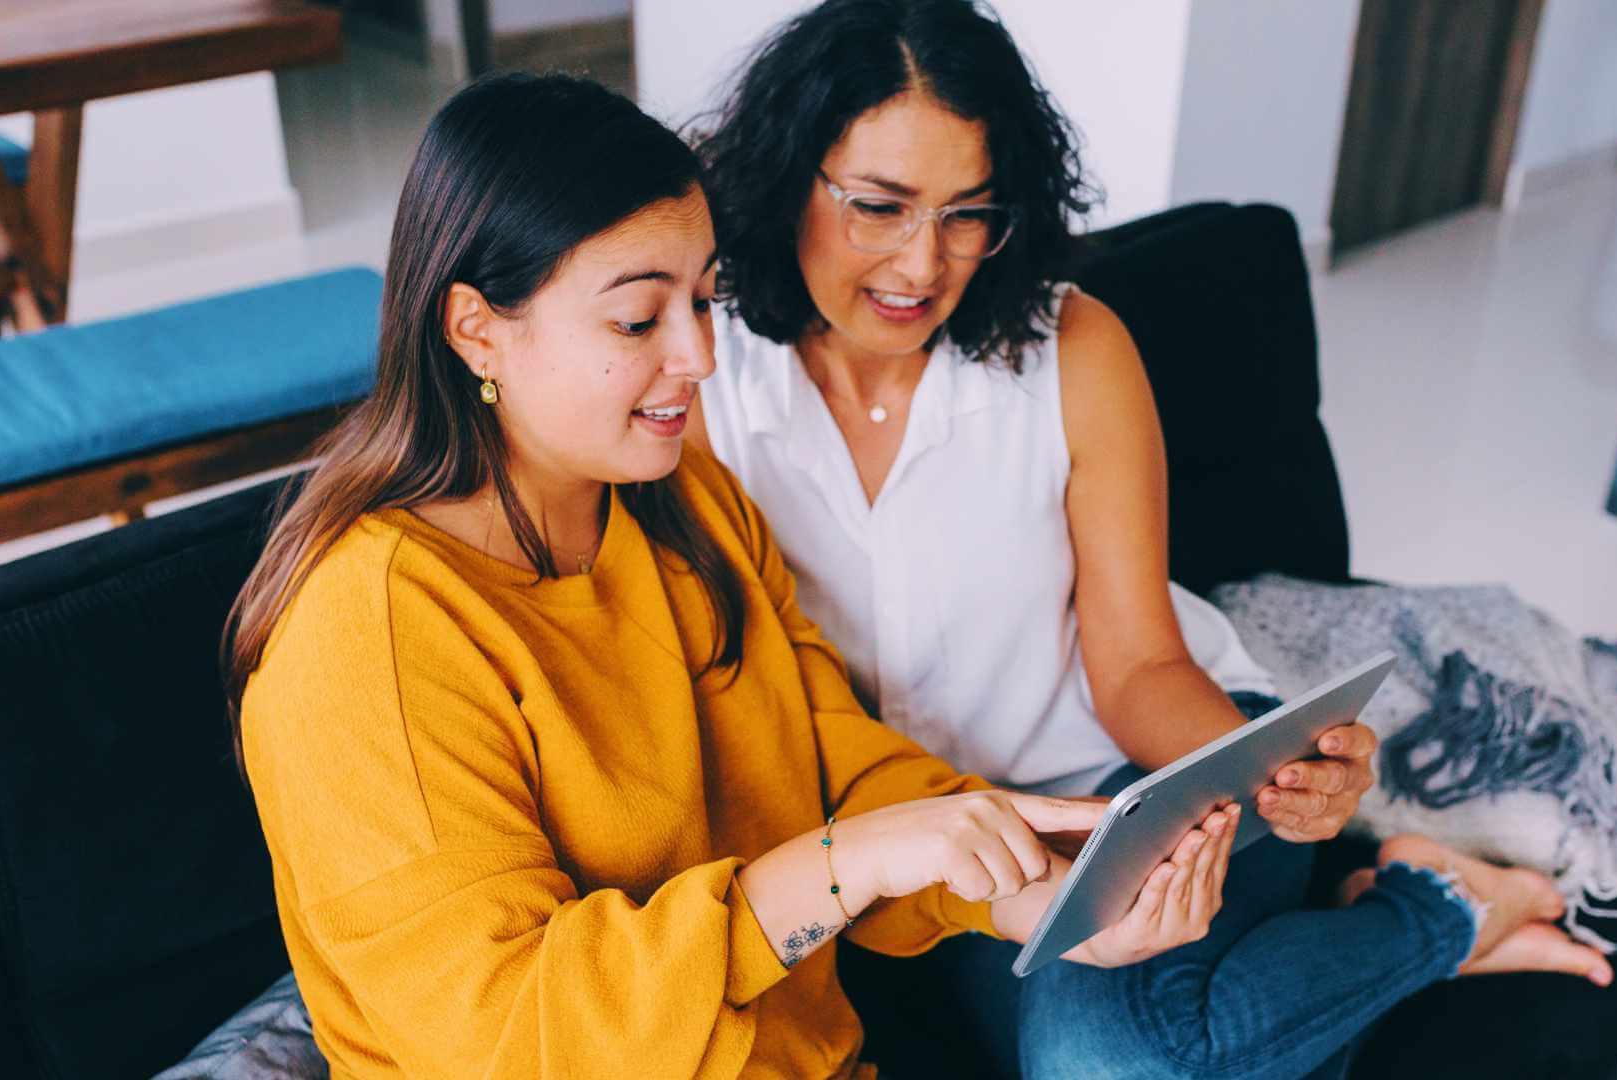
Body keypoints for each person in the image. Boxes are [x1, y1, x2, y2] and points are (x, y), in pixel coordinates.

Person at [222, 72, 1241, 1080]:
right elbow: (500, 1036)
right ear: (476, 329)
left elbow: (836, 764)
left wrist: (1042, 898)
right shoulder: (368, 635)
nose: (701, 356)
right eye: (638, 320)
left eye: (704, 301)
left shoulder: (688, 506)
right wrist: (842, 867)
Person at [689, 2, 1614, 1076]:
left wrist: (1265, 777)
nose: (922, 262)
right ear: (788, 179)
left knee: (1109, 1063)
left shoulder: (1070, 347)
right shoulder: (705, 379)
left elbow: (1135, 661)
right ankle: (1440, 913)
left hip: (1119, 784)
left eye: (968, 213)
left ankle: (1416, 900)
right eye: (880, 206)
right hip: (918, 852)